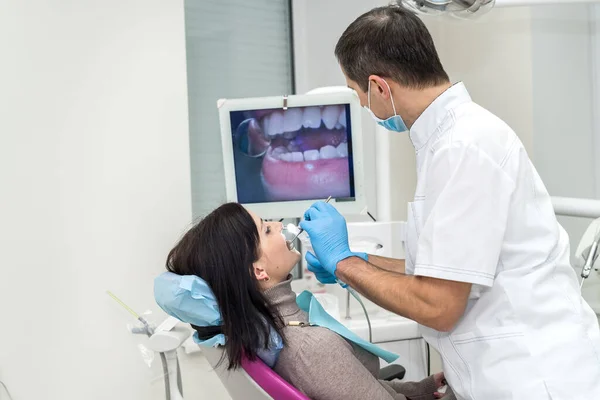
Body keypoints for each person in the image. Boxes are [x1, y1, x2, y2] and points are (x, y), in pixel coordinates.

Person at [300, 5, 600, 400]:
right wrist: (357, 262)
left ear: (379, 87)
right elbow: (438, 268)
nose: (361, 104)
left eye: (357, 93)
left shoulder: (464, 147)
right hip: (502, 373)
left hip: (533, 377)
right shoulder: (446, 141)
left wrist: (345, 263)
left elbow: (439, 303)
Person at [163, 202, 453, 400]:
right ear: (259, 271)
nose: (278, 225)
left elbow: (351, 389)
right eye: (266, 229)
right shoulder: (308, 347)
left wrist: (421, 389)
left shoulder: (270, 331)